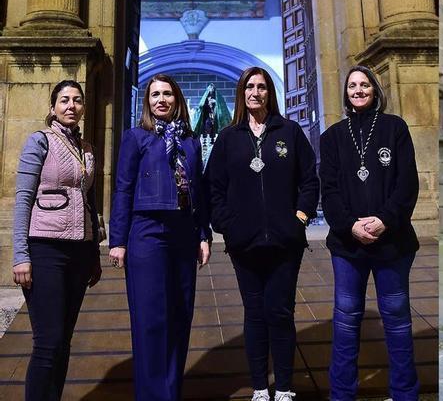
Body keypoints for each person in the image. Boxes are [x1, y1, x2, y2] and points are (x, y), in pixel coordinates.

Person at [206, 67, 319, 401]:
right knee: (254, 314)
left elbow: (309, 179)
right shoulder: (228, 138)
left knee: (280, 313)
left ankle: (283, 387)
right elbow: (214, 188)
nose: (255, 92)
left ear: (270, 92)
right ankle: (259, 387)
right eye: (249, 87)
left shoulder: (290, 131)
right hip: (245, 244)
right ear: (241, 93)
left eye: (262, 87)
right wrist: (228, 224)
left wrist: (299, 217)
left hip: (285, 243)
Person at [319, 65, 420, 401]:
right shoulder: (332, 136)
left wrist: (384, 220)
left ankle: (405, 393)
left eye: (364, 85)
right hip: (348, 246)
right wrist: (350, 225)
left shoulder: (395, 128)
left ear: (375, 90)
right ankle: (342, 394)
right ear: (345, 93)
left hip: (392, 242)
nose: (358, 90)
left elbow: (407, 184)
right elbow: (329, 192)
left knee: (397, 318)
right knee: (346, 320)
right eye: (352, 86)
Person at [109, 74, 212, 400]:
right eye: (155, 94)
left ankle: (171, 391)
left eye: (167, 93)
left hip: (183, 233)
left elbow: (200, 190)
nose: (161, 99)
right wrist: (118, 240)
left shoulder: (191, 141)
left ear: (177, 98)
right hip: (147, 232)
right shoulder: (135, 137)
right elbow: (123, 188)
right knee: (151, 320)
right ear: (147, 101)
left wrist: (203, 234)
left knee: (180, 316)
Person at [12, 80, 103, 401]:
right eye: (64, 100)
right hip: (45, 248)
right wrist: (20, 255)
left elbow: (90, 202)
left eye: (77, 100)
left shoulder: (88, 148)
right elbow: (23, 198)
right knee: (47, 342)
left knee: (64, 341)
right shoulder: (39, 142)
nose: (71, 106)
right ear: (52, 108)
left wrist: (94, 254)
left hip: (79, 253)